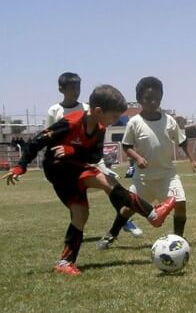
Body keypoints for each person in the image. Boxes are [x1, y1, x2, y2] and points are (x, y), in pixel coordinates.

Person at [2, 84, 176, 275]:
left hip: (77, 166)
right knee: (101, 187)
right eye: (114, 117)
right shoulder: (71, 123)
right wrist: (21, 166)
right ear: (99, 111)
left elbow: (94, 156)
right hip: (57, 170)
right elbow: (37, 141)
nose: (116, 120)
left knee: (82, 212)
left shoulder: (100, 128)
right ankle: (153, 215)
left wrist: (72, 150)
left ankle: (65, 263)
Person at [97, 77, 196, 249]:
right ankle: (111, 234)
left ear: (161, 97)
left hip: (167, 175)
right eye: (148, 99)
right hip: (143, 178)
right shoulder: (134, 122)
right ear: (139, 99)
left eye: (157, 98)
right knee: (127, 209)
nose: (153, 102)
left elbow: (182, 141)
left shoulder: (169, 120)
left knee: (181, 203)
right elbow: (126, 145)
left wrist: (193, 160)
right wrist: (137, 158)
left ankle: (178, 239)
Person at [46, 72, 143, 237]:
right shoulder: (54, 111)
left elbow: (97, 132)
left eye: (78, 87)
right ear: (61, 90)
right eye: (71, 88)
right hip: (69, 162)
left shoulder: (86, 108)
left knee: (110, 184)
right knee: (76, 199)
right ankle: (76, 229)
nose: (76, 91)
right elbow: (50, 136)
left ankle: (125, 220)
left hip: (90, 158)